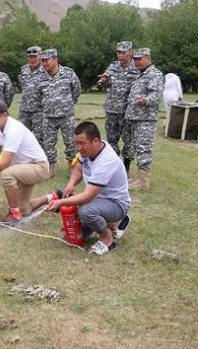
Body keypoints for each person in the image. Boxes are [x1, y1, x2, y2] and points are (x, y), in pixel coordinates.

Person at [45, 121, 131, 256]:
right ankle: (110, 225)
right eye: (76, 143)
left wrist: (60, 202)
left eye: (81, 143)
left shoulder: (106, 161)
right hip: (99, 200)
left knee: (85, 211)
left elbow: (88, 196)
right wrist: (71, 183)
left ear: (95, 141)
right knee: (76, 220)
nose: (78, 148)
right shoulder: (88, 152)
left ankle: (107, 237)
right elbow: (78, 168)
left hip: (116, 204)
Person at [37, 49, 81, 177]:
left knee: (71, 143)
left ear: (55, 59)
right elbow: (38, 95)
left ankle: (72, 168)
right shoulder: (40, 77)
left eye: (46, 60)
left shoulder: (68, 73)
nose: (44, 63)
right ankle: (50, 169)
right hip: (48, 117)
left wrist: (67, 104)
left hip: (66, 116)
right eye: (42, 61)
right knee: (48, 144)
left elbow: (76, 90)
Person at [124, 48, 164, 190]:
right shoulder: (139, 74)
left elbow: (156, 95)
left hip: (145, 119)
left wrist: (146, 100)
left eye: (139, 59)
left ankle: (143, 182)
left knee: (144, 148)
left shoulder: (154, 74)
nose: (136, 62)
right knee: (137, 147)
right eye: (134, 59)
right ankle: (140, 178)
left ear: (148, 58)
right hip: (135, 118)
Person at [98, 41, 139, 175]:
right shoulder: (113, 67)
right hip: (112, 110)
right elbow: (105, 85)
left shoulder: (137, 68)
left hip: (128, 112)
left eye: (123, 52)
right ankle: (115, 166)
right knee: (111, 140)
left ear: (131, 52)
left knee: (129, 140)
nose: (120, 55)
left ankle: (126, 165)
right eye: (118, 52)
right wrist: (104, 81)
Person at [18, 46, 45, 144]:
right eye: (30, 57)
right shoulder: (23, 70)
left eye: (34, 56)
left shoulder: (46, 70)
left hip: (39, 111)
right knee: (21, 138)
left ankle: (39, 159)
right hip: (24, 111)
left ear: (40, 56)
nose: (32, 59)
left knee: (39, 139)